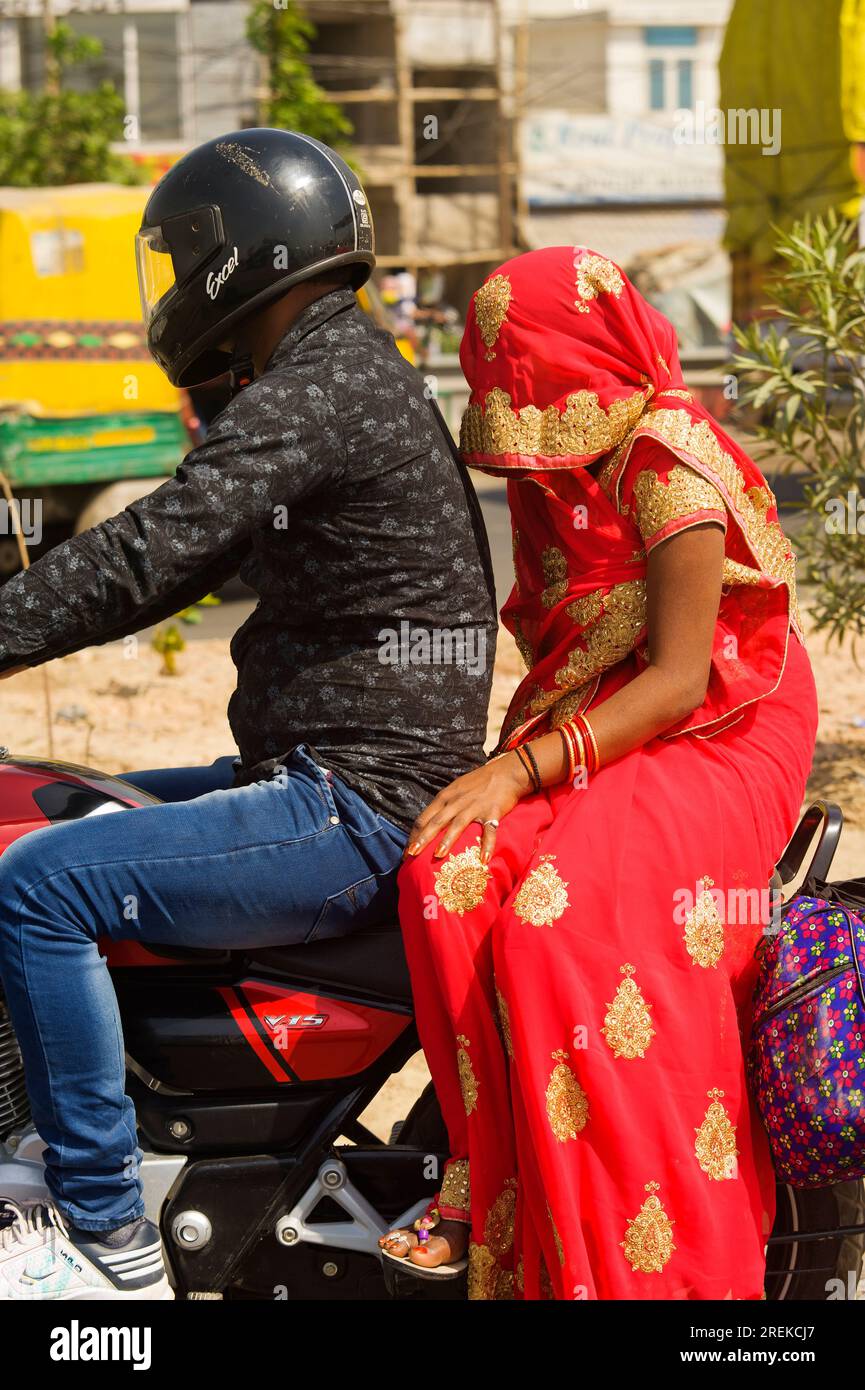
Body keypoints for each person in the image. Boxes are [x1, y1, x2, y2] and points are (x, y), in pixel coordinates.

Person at [0, 129, 496, 1300]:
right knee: (39, 796)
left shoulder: (321, 382)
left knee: (38, 882)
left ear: (237, 258)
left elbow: (150, 547)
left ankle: (100, 1226)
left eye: (180, 261)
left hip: (354, 805)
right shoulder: (337, 372)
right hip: (324, 769)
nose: (170, 290)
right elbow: (177, 565)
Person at [384, 245, 817, 1301]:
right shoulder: (560, 476)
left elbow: (677, 677)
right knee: (442, 879)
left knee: (556, 923)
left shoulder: (671, 456)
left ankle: (658, 1262)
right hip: (609, 720)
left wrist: (520, 769)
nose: (525, 428)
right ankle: (494, 1195)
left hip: (722, 721)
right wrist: (510, 776)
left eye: (536, 391)